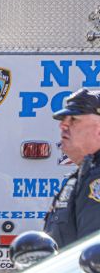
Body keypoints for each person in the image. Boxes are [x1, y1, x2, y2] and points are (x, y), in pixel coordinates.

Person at [44, 88, 100, 247]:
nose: (63, 125)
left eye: (74, 119)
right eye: (63, 119)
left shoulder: (95, 178)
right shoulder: (83, 174)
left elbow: (93, 257)